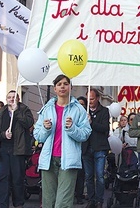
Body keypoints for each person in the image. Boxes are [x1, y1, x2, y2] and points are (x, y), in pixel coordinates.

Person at [34, 74, 92, 207]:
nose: (62, 87)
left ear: (70, 87)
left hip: (69, 160)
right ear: (55, 89)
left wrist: (72, 128)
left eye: (65, 84)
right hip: (49, 160)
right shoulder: (47, 109)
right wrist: (45, 128)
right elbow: (38, 135)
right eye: (59, 84)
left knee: (63, 202)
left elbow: (85, 133)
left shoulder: (79, 109)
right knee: (48, 201)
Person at [0, 90, 34, 208]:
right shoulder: (2, 111)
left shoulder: (24, 109)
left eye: (14, 97)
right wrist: (3, 134)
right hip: (3, 149)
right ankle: (2, 204)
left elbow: (29, 123)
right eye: (9, 97)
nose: (11, 99)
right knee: (2, 177)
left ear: (18, 99)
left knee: (17, 178)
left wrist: (17, 112)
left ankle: (18, 203)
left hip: (18, 149)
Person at [82, 88, 111, 208]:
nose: (90, 101)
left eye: (92, 99)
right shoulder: (83, 111)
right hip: (86, 147)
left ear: (98, 98)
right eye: (88, 99)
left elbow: (105, 128)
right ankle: (91, 199)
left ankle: (99, 200)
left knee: (99, 176)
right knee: (88, 176)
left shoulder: (104, 111)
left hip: (99, 147)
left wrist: (92, 122)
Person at [75, 95, 88, 204]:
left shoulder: (86, 117)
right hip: (73, 149)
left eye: (82, 104)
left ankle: (79, 196)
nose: (80, 106)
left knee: (80, 175)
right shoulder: (72, 115)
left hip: (84, 149)